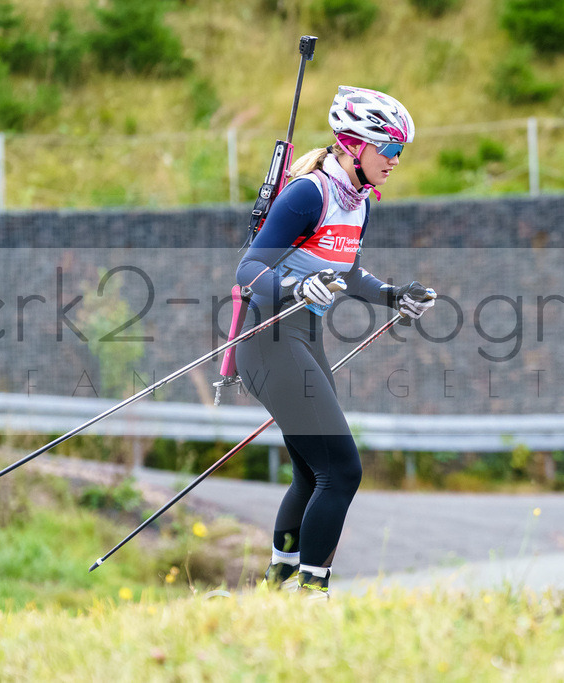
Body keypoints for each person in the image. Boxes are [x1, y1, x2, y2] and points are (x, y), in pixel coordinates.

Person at [235, 86, 434, 599]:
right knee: (341, 470)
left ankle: (276, 587)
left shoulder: (359, 203)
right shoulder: (309, 193)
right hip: (269, 336)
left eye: (400, 152)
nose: (395, 161)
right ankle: (310, 596)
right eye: (389, 149)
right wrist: (295, 287)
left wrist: (393, 296)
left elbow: (348, 272)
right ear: (354, 145)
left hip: (304, 337)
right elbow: (248, 269)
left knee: (310, 472)